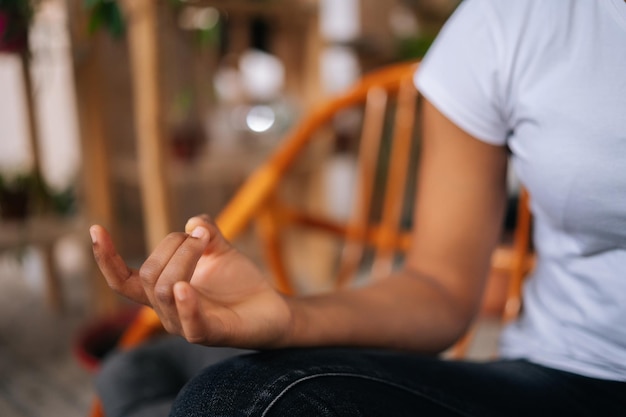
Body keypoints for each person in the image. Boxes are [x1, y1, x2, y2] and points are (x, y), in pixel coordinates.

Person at [90, 0, 626, 415]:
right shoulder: (515, 22)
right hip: (567, 378)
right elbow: (440, 287)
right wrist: (290, 316)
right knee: (232, 401)